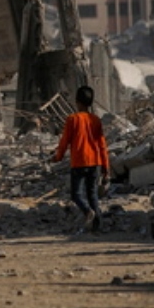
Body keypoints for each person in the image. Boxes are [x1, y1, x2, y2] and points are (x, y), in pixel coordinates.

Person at [52, 85, 110, 233]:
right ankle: (97, 226)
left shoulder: (72, 119)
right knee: (92, 195)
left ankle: (87, 212)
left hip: (79, 161)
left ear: (77, 102)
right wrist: (105, 167)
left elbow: (65, 141)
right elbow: (102, 144)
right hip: (95, 161)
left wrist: (58, 157)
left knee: (76, 194)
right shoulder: (95, 120)